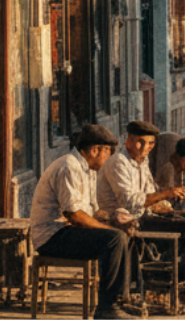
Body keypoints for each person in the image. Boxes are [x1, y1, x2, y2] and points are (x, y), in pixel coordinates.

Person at [98, 120, 185, 305]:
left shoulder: (142, 162)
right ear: (128, 141)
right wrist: (167, 193)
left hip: (146, 215)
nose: (145, 147)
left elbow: (150, 192)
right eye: (140, 142)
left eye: (150, 143)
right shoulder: (119, 162)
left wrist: (165, 203)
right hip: (128, 220)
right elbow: (131, 203)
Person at [30, 125, 133, 319]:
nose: (109, 159)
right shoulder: (69, 166)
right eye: (108, 153)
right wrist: (108, 229)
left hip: (67, 232)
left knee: (123, 234)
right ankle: (106, 308)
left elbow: (92, 211)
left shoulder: (88, 170)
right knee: (114, 239)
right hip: (52, 238)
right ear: (95, 150)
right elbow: (74, 215)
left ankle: (121, 300)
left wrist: (113, 218)